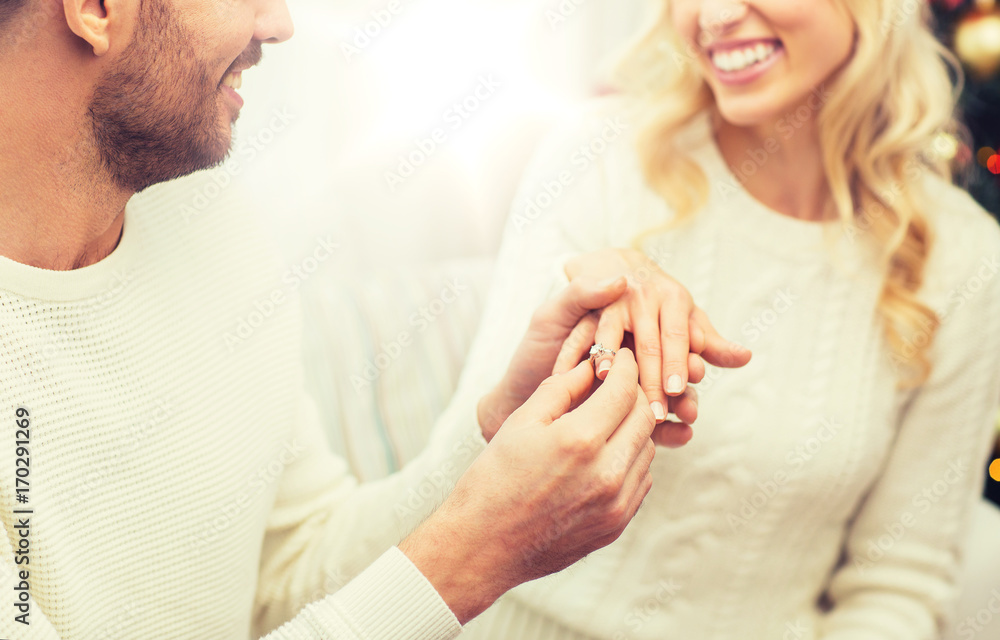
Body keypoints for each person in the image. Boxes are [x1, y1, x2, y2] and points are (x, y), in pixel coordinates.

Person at [0, 0, 754, 637]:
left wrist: (496, 438)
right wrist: (478, 551)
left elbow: (291, 570)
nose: (280, 23)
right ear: (96, 9)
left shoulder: (206, 217)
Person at [455, 1, 1000, 639]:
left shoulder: (964, 259)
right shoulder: (596, 156)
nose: (712, 15)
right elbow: (466, 470)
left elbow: (897, 583)